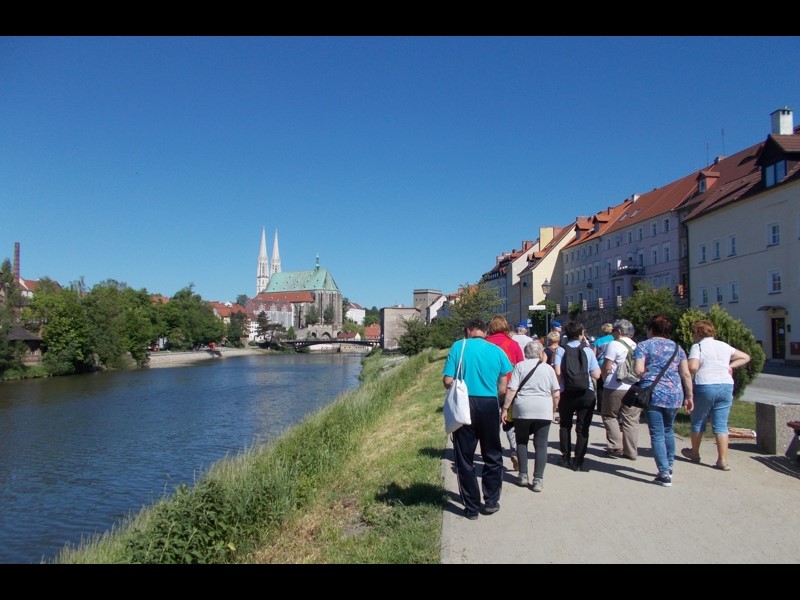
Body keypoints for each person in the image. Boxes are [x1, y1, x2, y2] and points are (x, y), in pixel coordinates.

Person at [443, 318, 513, 519]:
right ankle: (491, 501)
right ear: (485, 331)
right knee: (492, 453)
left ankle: (471, 507)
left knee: (464, 456)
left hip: (465, 404)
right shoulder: (498, 351)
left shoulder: (459, 346)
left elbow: (448, 380)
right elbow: (502, 386)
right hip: (489, 404)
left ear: (468, 330)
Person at [633, 315, 694, 487]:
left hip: (654, 393)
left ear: (651, 329)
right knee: (668, 430)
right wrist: (689, 396)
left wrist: (646, 372)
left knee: (657, 433)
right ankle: (670, 465)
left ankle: (664, 473)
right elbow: (686, 374)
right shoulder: (677, 348)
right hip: (675, 393)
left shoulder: (644, 346)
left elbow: (638, 370)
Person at [683, 319, 751, 471]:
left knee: (698, 420)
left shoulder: (698, 346)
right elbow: (745, 357)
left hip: (705, 384)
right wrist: (729, 366)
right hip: (726, 385)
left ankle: (694, 453)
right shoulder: (724, 346)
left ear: (698, 333)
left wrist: (685, 368)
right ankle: (722, 459)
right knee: (721, 424)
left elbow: (693, 367)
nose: (692, 335)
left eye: (693, 332)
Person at [502, 339, 560, 492]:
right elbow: (556, 393)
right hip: (543, 409)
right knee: (541, 445)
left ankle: (522, 475)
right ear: (541, 353)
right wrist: (553, 409)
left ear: (525, 353)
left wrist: (505, 408)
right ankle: (538, 480)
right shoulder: (548, 369)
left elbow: (512, 390)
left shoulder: (520, 366)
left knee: (521, 441)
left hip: (523, 409)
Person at [554, 321, 601, 472]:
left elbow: (558, 373)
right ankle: (578, 461)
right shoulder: (587, 351)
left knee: (565, 425)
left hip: (566, 392)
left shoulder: (561, 351)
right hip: (585, 393)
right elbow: (596, 374)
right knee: (582, 428)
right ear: (581, 334)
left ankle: (565, 457)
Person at [485, 315, 525, 471]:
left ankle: (493, 452)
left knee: (491, 423)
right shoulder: (513, 344)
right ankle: (514, 449)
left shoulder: (485, 343)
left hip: (488, 388)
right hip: (510, 388)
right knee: (510, 421)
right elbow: (521, 368)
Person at [600, 319, 640, 460]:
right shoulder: (636, 345)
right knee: (631, 420)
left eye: (615, 331)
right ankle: (631, 451)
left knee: (609, 415)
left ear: (619, 331)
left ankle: (615, 446)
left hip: (614, 386)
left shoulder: (614, 344)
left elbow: (607, 365)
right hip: (633, 386)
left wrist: (604, 379)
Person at [593, 323, 614, 413]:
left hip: (600, 364)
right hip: (612, 364)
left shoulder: (598, 341)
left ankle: (600, 406)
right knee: (611, 385)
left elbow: (594, 355)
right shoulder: (615, 340)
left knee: (600, 387)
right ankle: (611, 405)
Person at [543, 330, 562, 423]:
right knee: (559, 394)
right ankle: (559, 412)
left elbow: (543, 363)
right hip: (561, 374)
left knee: (551, 394)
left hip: (550, 374)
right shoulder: (563, 350)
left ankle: (552, 413)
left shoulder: (546, 350)